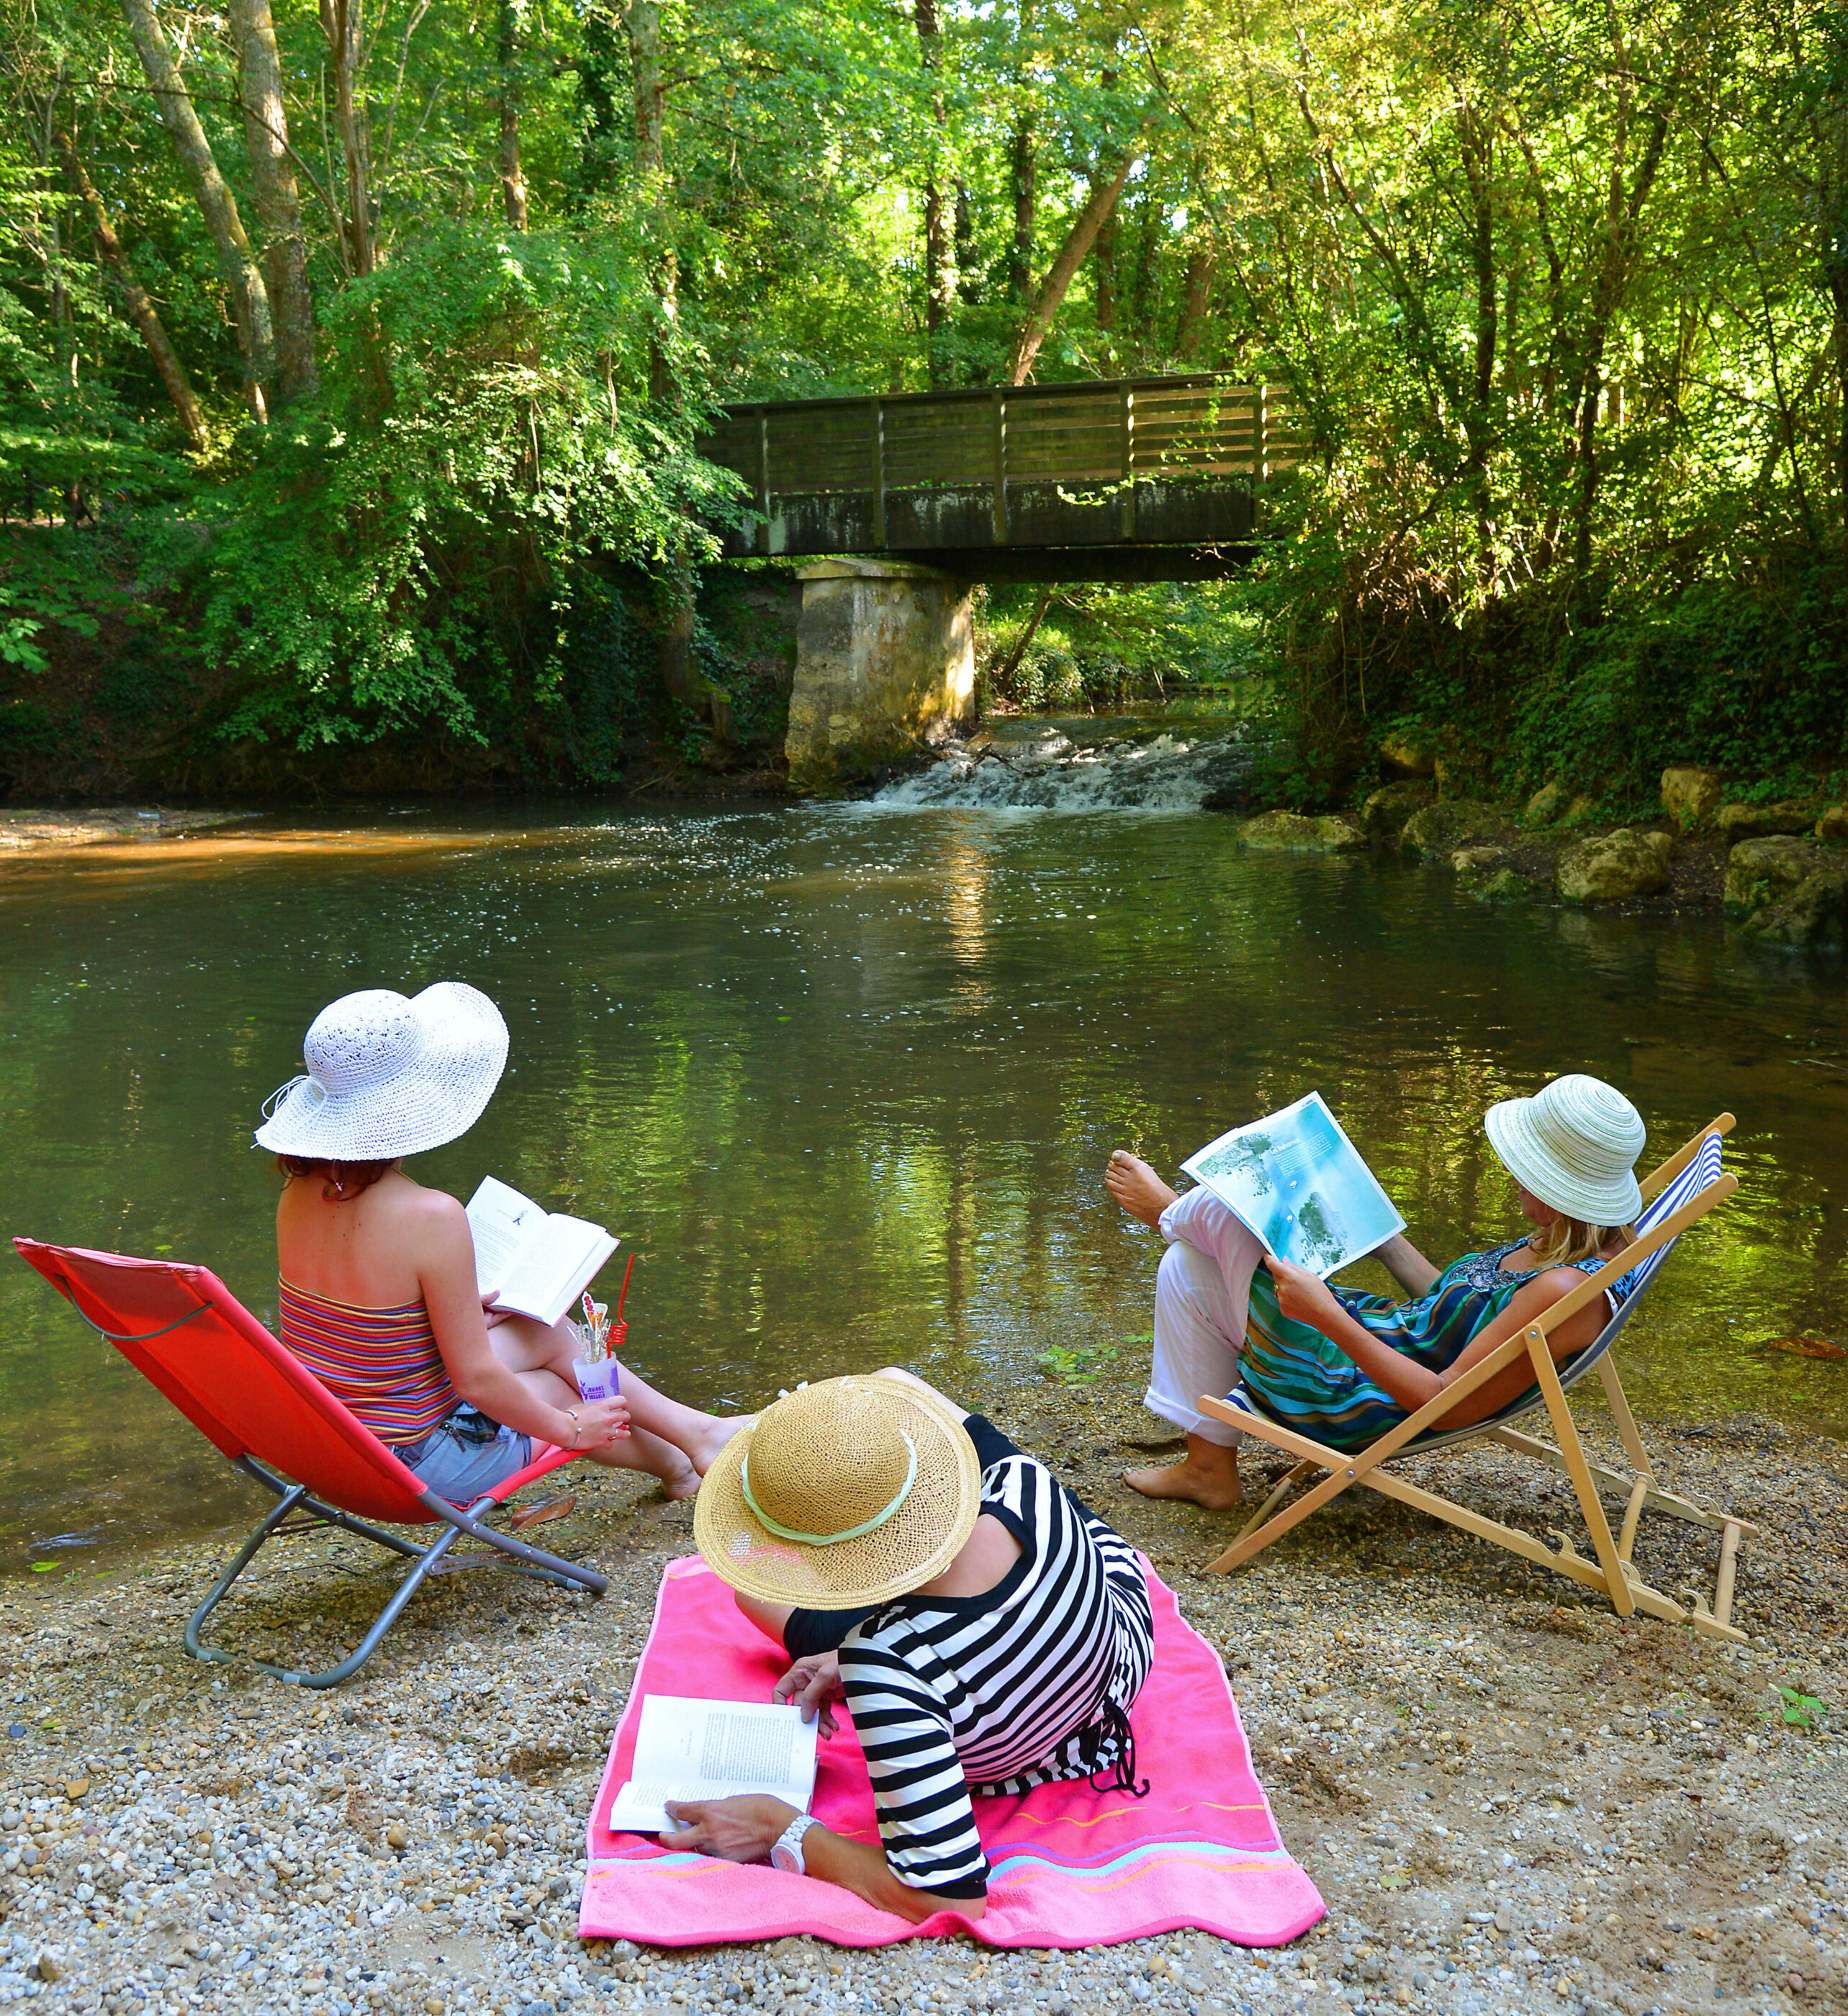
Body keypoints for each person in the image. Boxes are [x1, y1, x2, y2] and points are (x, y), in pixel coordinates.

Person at [657, 1369, 1154, 1922]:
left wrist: (780, 1828)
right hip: (1118, 1651)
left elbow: (950, 1899)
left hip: (1032, 1754)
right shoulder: (1021, 1482)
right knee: (892, 1378)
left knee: (750, 1594)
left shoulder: (886, 1662)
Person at [256, 982, 742, 1501]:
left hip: (334, 1441)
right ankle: (689, 1453)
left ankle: (694, 1445)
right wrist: (571, 1428)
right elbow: (476, 1382)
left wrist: (456, 1311)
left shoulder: (298, 1191)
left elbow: (356, 1323)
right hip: (418, 1463)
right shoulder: (430, 1215)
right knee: (561, 1389)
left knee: (547, 1333)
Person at [1104, 1074, 1649, 1510]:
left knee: (1221, 1222)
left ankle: (1168, 1213)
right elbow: (1455, 1310)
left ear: (1557, 1189)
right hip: (1383, 1337)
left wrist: (1326, 1318)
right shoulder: (1577, 1243)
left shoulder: (1563, 1291)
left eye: (1525, 1173)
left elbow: (1446, 1404)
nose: (1513, 1178)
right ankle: (1207, 1471)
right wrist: (1383, 1237)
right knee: (1195, 1258)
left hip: (1356, 1394)